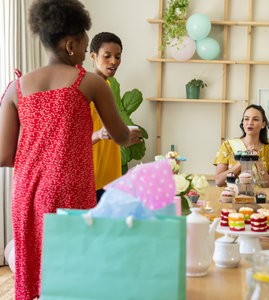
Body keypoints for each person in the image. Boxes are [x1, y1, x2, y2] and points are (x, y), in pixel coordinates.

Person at [0, 1, 140, 299]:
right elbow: (118, 136)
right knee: (72, 273)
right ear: (70, 44)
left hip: (26, 191)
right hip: (68, 189)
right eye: (84, 45)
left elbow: (4, 156)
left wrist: (38, 151)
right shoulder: (88, 82)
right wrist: (133, 135)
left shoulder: (16, 87)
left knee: (34, 273)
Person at [89, 32, 142, 201]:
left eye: (117, 57)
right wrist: (100, 135)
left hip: (112, 178)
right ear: (93, 56)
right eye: (107, 56)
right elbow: (72, 141)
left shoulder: (109, 85)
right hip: (91, 179)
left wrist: (123, 134)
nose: (113, 61)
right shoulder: (84, 89)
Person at [213, 104, 269, 188]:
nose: (250, 123)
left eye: (255, 119)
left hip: (260, 199)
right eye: (246, 119)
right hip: (232, 198)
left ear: (263, 124)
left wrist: (258, 162)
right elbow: (218, 181)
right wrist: (242, 162)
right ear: (243, 123)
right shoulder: (228, 146)